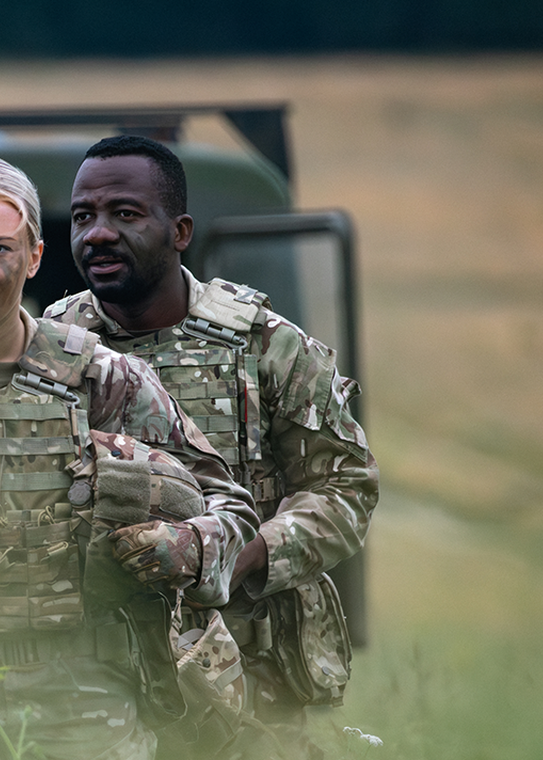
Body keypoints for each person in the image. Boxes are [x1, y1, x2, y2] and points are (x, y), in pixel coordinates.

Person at [0, 155, 260, 760]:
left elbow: (231, 508)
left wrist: (188, 545)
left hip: (86, 687)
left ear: (35, 257)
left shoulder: (104, 378)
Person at [43, 135, 379, 756]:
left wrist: (233, 556)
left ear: (180, 231)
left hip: (254, 667)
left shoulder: (265, 346)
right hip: (97, 673)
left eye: (126, 213)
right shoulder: (53, 348)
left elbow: (346, 488)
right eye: (84, 216)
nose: (98, 235)